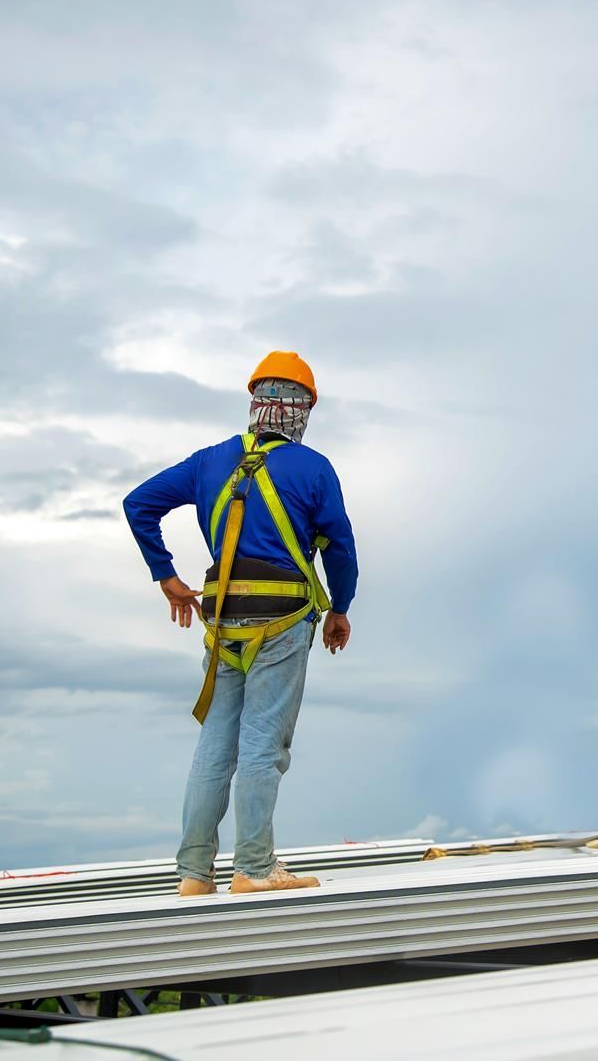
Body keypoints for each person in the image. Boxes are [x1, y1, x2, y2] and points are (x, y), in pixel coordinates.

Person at [123, 351, 358, 896]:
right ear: (302, 410)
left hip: (223, 625)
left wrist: (167, 575)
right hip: (283, 624)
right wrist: (340, 607)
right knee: (261, 745)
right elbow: (340, 548)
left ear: (255, 401)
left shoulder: (210, 461)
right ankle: (254, 869)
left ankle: (193, 875)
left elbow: (140, 503)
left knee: (214, 746)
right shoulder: (313, 467)